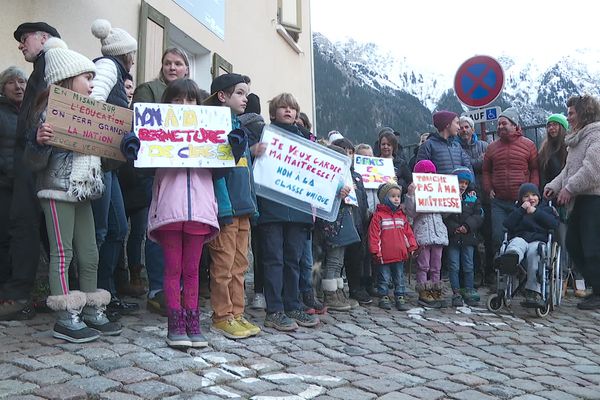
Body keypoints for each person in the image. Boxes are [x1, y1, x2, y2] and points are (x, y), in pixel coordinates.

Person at [25, 38, 122, 343]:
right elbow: (33, 161)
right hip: (56, 191)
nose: (92, 83)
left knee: (89, 251)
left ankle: (92, 309)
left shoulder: (91, 114)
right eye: (87, 77)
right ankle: (66, 316)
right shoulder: (46, 113)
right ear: (68, 79)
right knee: (63, 252)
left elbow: (105, 159)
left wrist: (117, 145)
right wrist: (40, 142)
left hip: (84, 190)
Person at [146, 78, 223, 349]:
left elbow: (221, 170)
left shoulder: (210, 130)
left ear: (198, 104)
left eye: (190, 100)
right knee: (173, 268)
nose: (184, 105)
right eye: (177, 100)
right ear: (167, 104)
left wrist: (231, 148)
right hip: (169, 207)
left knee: (192, 270)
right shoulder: (155, 129)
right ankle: (175, 323)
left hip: (199, 210)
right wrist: (135, 145)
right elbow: (142, 163)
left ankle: (192, 322)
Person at [0, 22, 60, 321]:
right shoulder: (44, 64)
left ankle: (19, 296)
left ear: (44, 39)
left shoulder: (52, 61)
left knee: (27, 227)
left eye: (25, 39)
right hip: (33, 157)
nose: (22, 45)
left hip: (39, 157)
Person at [255, 93, 322, 331]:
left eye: (292, 108)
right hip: (271, 209)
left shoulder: (307, 140)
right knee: (274, 259)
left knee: (292, 260)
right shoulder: (264, 135)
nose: (287, 111)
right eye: (282, 107)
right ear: (273, 113)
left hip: (298, 209)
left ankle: (292, 305)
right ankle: (274, 310)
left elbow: (320, 172)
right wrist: (254, 152)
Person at [202, 73, 261, 339]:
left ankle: (237, 312)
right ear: (222, 96)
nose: (245, 98)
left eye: (246, 93)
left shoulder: (241, 128)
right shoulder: (214, 128)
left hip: (244, 209)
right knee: (223, 266)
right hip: (226, 210)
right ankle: (222, 315)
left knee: (240, 265)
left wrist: (252, 204)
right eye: (239, 92)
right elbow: (217, 173)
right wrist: (222, 207)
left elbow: (245, 172)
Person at [131, 47, 190, 315]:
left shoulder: (195, 96)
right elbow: (141, 126)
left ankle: (180, 289)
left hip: (188, 178)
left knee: (184, 236)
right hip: (156, 174)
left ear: (186, 69)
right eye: (167, 63)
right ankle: (157, 290)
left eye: (178, 63)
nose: (172, 67)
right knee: (157, 232)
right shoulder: (148, 90)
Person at [90, 18, 140, 316]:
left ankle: (105, 291)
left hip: (109, 163)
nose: (133, 59)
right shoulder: (109, 67)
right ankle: (97, 292)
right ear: (125, 54)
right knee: (102, 229)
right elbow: (93, 105)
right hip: (100, 161)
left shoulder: (115, 71)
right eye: (131, 54)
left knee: (117, 228)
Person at [544, 95, 600, 310]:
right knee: (574, 245)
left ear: (584, 113)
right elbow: (569, 170)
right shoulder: (578, 139)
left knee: (591, 247)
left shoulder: (596, 135)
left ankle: (598, 291)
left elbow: (593, 170)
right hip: (581, 200)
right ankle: (596, 288)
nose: (568, 117)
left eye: (571, 113)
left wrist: (569, 188)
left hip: (594, 200)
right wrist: (555, 186)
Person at [482, 107, 539, 257]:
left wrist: (533, 192)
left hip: (521, 202)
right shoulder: (492, 147)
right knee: (498, 237)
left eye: (504, 123)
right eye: (498, 124)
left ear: (514, 125)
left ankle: (520, 272)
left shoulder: (529, 145)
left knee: (521, 236)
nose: (500, 127)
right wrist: (488, 189)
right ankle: (502, 269)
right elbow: (486, 170)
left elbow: (534, 169)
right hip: (499, 201)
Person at [496, 183, 559, 307]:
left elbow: (553, 224)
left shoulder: (546, 210)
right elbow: (507, 224)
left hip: (537, 240)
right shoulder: (518, 211)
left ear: (539, 197)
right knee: (516, 245)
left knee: (534, 253)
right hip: (521, 238)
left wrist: (535, 212)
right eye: (526, 196)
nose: (531, 198)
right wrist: (521, 210)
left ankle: (532, 291)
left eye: (534, 195)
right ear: (521, 200)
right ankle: (510, 260)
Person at [0, 66, 28, 300]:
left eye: (22, 82)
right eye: (12, 82)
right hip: (5, 184)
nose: (18, 87)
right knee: (4, 238)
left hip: (27, 186)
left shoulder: (31, 111)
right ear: (3, 87)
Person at [405, 160, 449, 308]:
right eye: (425, 174)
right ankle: (423, 291)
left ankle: (436, 290)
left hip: (438, 234)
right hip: (423, 234)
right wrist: (411, 195)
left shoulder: (438, 190)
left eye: (431, 173)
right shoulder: (415, 192)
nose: (429, 176)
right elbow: (411, 212)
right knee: (423, 265)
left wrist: (453, 198)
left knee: (437, 265)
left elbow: (447, 210)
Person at [369, 182, 418, 311]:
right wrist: (375, 251)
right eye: (393, 196)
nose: (396, 199)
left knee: (399, 276)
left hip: (399, 254)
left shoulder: (401, 216)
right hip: (384, 255)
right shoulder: (378, 216)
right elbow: (374, 236)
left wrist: (412, 246)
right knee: (384, 277)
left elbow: (408, 233)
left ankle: (400, 295)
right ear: (385, 198)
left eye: (398, 196)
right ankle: (383, 295)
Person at [444, 167, 483, 307]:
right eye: (460, 182)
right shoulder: (447, 197)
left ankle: (469, 289)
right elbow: (446, 217)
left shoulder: (472, 197)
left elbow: (478, 215)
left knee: (468, 265)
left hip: (468, 237)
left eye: (466, 183)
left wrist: (467, 226)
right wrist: (455, 228)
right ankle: (456, 292)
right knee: (454, 265)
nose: (463, 186)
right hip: (454, 237)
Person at [459, 115, 491, 286]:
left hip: (484, 195)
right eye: (461, 127)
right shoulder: (456, 147)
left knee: (489, 234)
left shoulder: (484, 145)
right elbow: (469, 167)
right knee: (471, 235)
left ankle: (490, 272)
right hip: (465, 199)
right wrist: (478, 162)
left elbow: (488, 167)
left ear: (473, 129)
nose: (464, 130)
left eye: (467, 127)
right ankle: (475, 273)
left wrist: (473, 165)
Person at [416, 110, 472, 175]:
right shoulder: (428, 145)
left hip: (458, 185)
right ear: (447, 124)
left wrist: (471, 184)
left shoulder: (457, 146)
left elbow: (468, 167)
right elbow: (420, 171)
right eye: (457, 123)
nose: (459, 127)